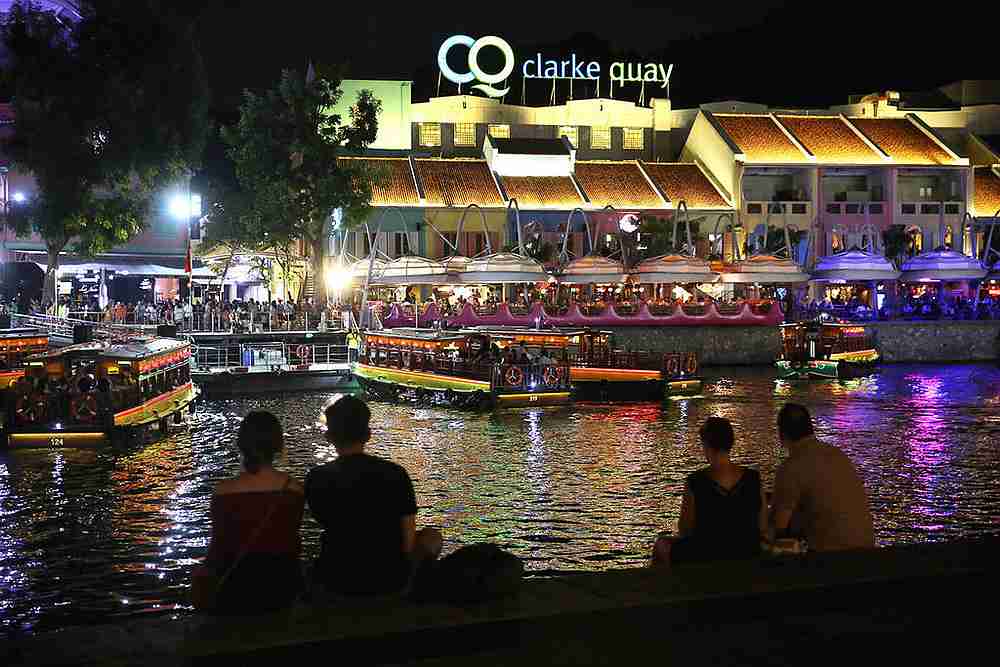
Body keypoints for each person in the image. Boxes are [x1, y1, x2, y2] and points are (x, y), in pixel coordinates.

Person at [305, 396, 441, 598]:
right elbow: (408, 537)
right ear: (368, 434)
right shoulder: (395, 473)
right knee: (432, 536)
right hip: (389, 578)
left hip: (336, 575)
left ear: (329, 436)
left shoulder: (316, 477)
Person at [198, 412, 305, 613]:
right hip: (282, 585)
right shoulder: (294, 489)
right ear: (278, 445)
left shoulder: (223, 491)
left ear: (242, 445)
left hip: (236, 587)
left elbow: (218, 545)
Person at [652, 417, 766, 567]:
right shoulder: (754, 479)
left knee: (661, 544)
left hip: (705, 555)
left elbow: (685, 530)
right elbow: (763, 525)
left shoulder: (695, 482)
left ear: (706, 445)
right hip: (747, 551)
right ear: (731, 443)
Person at [770, 403, 874, 552]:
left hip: (831, 557)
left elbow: (778, 525)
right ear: (810, 428)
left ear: (782, 434)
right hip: (868, 551)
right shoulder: (838, 455)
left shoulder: (792, 466)